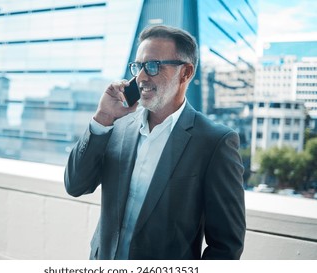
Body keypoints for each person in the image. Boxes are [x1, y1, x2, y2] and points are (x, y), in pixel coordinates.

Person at [64, 25, 245, 260]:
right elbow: (76, 185)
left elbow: (226, 246)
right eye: (138, 66)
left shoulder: (214, 142)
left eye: (152, 66)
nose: (140, 77)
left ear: (186, 73)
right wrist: (102, 117)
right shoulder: (117, 124)